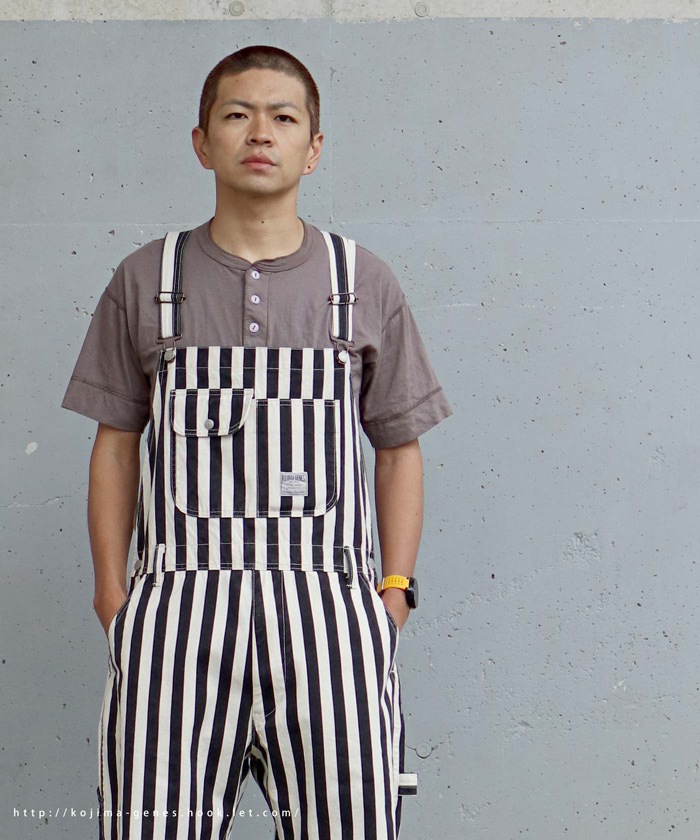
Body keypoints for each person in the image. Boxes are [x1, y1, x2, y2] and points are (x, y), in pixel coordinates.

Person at [61, 44, 453, 840]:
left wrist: (394, 593)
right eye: (237, 114)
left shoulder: (361, 280)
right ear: (202, 142)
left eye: (284, 117)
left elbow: (398, 447)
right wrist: (114, 599)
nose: (261, 133)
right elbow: (115, 446)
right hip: (176, 615)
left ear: (314, 147)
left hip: (331, 616)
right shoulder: (148, 278)